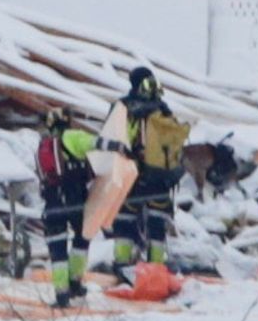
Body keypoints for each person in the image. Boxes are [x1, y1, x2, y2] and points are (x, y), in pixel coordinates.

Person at [105, 66, 186, 277]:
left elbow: (109, 140)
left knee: (124, 219)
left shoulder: (123, 107)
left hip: (131, 174)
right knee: (157, 222)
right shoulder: (163, 108)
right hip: (160, 178)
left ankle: (122, 264)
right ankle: (156, 267)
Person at [37, 107, 96, 307]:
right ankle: (75, 283)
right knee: (82, 239)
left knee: (57, 250)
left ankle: (61, 294)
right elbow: (94, 143)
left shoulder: (44, 145)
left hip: (52, 203)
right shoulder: (72, 137)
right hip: (75, 200)